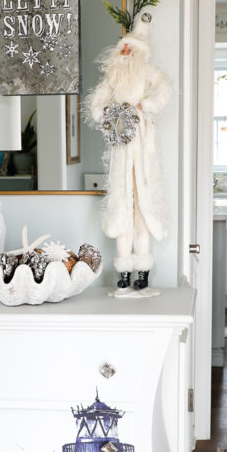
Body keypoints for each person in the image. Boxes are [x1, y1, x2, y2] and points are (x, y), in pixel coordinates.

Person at [87, 14, 171, 290]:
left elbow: (164, 88)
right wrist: (107, 115)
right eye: (121, 47)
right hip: (121, 144)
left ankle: (142, 271)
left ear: (137, 51)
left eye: (128, 47)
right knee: (123, 203)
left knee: (142, 206)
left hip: (141, 144)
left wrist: (145, 106)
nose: (123, 51)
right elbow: (97, 103)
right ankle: (123, 269)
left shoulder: (146, 71)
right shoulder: (114, 76)